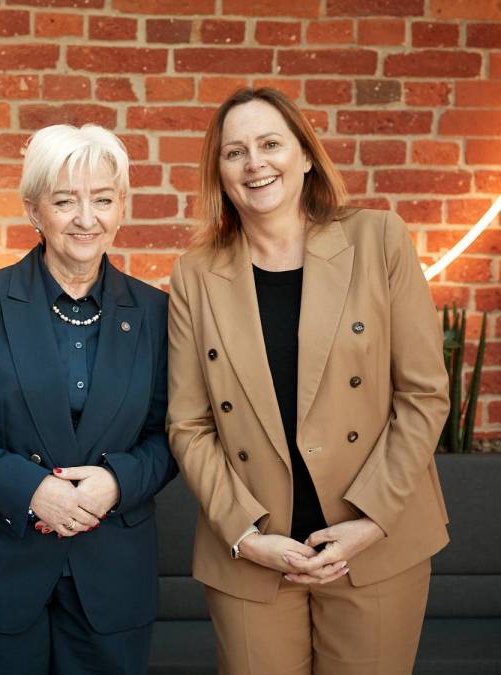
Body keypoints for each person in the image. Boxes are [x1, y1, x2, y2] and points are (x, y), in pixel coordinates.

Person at [167, 86, 450, 674]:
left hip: (376, 542)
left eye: (270, 144)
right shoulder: (195, 274)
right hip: (255, 553)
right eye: (235, 152)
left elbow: (423, 395)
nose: (255, 163)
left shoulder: (379, 238)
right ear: (220, 173)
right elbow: (189, 424)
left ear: (305, 156)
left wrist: (370, 522)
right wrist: (246, 534)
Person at [0, 124, 176, 674]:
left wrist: (116, 483)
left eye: (102, 199)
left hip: (109, 577)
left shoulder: (156, 313)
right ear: (34, 210)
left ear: (122, 207)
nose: (86, 218)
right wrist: (33, 490)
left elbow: (171, 435)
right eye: (65, 201)